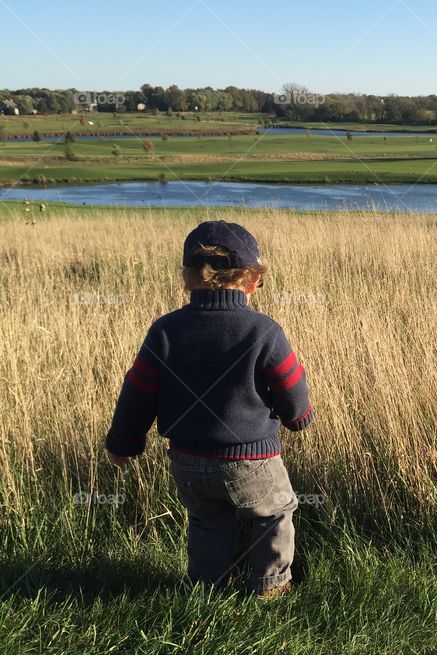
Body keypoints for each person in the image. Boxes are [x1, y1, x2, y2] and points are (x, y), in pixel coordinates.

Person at [104, 220, 313, 598]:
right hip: (251, 459)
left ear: (187, 279)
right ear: (251, 280)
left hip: (187, 460)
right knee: (274, 513)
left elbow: (138, 391)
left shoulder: (165, 331)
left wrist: (123, 443)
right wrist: (298, 418)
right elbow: (291, 386)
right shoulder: (263, 331)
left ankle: (208, 588)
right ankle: (270, 585)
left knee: (207, 522)